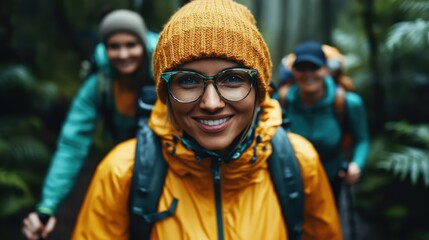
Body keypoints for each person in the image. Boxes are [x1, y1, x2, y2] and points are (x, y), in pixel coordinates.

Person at [72, 0, 342, 239]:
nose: (211, 103)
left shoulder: (298, 162)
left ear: (259, 89)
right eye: (187, 80)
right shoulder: (122, 172)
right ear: (165, 92)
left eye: (233, 78)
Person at [22, 9, 157, 239]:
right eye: (114, 46)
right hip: (122, 167)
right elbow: (72, 144)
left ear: (143, 44)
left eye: (131, 44)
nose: (123, 54)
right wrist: (48, 205)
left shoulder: (163, 74)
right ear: (105, 48)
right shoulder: (99, 84)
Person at [281, 41, 370, 205]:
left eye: (314, 67)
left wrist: (356, 165)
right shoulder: (281, 101)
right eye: (301, 68)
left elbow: (362, 139)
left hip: (331, 179)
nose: (308, 74)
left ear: (326, 70)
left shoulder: (347, 103)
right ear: (293, 71)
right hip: (290, 180)